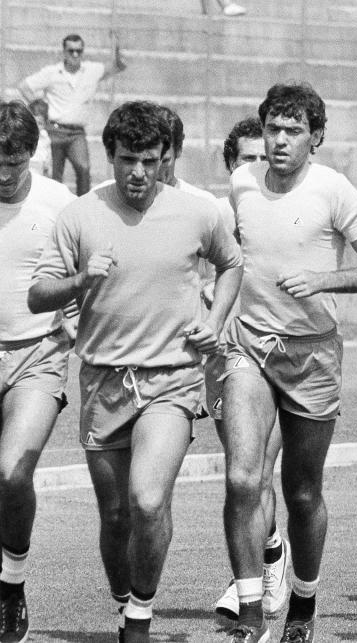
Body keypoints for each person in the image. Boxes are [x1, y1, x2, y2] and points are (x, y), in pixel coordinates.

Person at [28, 100, 243, 641]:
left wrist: (214, 320)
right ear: (109, 156)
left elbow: (232, 262)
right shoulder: (79, 215)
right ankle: (125, 604)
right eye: (127, 160)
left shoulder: (198, 212)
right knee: (117, 516)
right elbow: (37, 295)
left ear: (166, 156)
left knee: (149, 499)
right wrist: (78, 283)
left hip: (172, 379)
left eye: (150, 159)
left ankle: (139, 621)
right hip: (103, 383)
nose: (139, 173)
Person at [220, 82, 357, 643]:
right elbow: (230, 256)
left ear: (316, 137)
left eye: (293, 131)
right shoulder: (242, 182)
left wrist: (323, 278)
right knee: (243, 478)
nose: (279, 140)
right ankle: (250, 608)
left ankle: (302, 602)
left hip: (313, 355)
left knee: (301, 491)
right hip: (250, 346)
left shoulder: (335, 190)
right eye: (272, 128)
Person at [0, 101, 76, 643]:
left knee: (11, 473)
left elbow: (90, 267)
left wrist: (75, 320)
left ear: (32, 153)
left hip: (37, 354)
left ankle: (11, 583)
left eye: (14, 160)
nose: (3, 173)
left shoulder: (58, 202)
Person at [208, 118, 288, 624]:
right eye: (246, 159)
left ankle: (250, 586)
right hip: (221, 360)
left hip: (278, 361)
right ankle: (272, 548)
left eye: (265, 158)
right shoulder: (211, 216)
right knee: (243, 479)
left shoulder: (292, 213)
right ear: (230, 165)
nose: (256, 168)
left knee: (255, 470)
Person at [18, 33, 126, 195]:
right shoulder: (52, 72)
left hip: (77, 133)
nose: (75, 54)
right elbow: (24, 86)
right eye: (71, 51)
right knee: (54, 175)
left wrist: (117, 48)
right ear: (64, 52)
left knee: (83, 169)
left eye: (79, 51)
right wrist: (38, 107)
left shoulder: (92, 70)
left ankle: (83, 206)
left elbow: (118, 66)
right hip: (54, 130)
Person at [27, 100, 52, 177]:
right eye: (33, 123)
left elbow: (48, 164)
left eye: (40, 123)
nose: (36, 127)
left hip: (39, 175)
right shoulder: (22, 137)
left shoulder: (45, 138)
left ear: (45, 123)